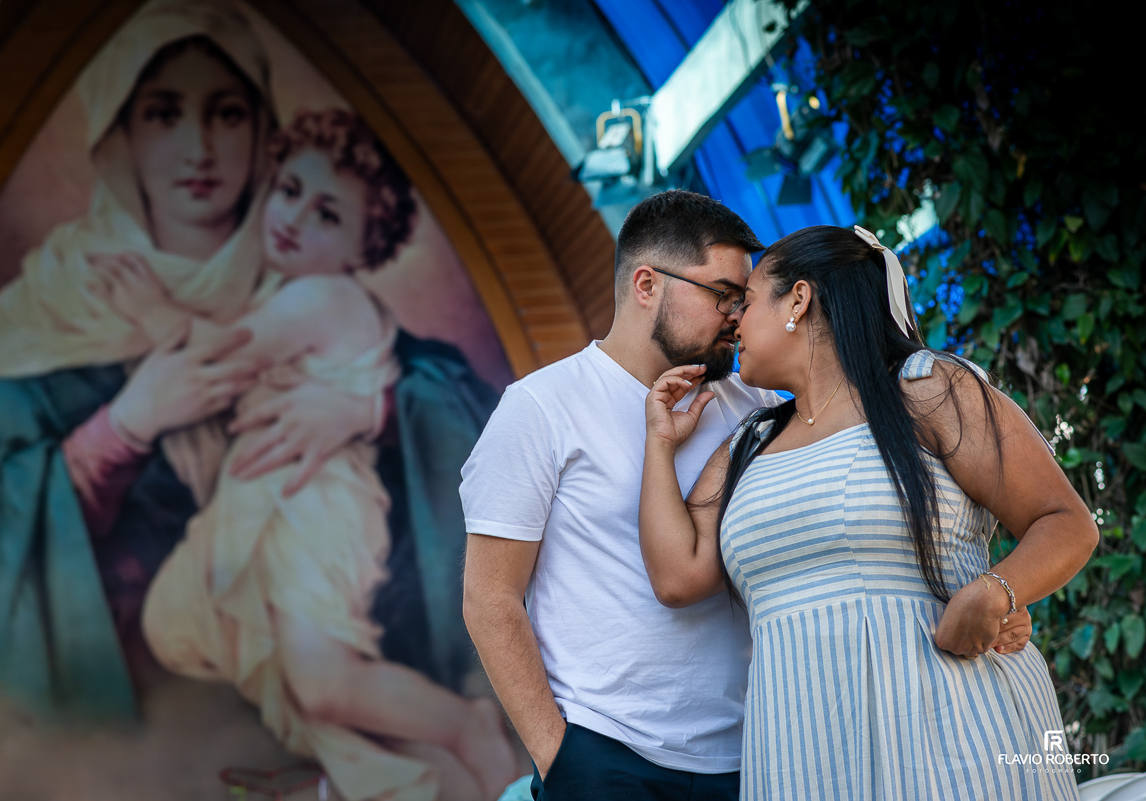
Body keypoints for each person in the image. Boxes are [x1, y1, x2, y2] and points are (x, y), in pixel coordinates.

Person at [0, 0, 390, 722]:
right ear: (117, 133)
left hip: (290, 676)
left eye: (226, 113)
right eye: (162, 113)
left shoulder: (309, 288)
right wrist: (121, 429)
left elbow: (446, 405)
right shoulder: (50, 306)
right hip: (117, 722)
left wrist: (372, 408)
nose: (199, 148)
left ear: (263, 130)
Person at [88, 108, 516, 801]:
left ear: (362, 245)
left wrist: (148, 308)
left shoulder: (327, 296)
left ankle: (467, 727)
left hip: (318, 509)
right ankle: (410, 771)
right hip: (273, 505)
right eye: (288, 190)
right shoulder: (285, 295)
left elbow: (216, 363)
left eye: (326, 214)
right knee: (284, 674)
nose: (292, 217)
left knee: (321, 683)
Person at [638, 224, 1095, 799]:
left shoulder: (926, 389)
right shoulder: (746, 445)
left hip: (953, 730)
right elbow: (678, 577)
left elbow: (1065, 521)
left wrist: (994, 591)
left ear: (798, 301)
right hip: (803, 750)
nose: (734, 321)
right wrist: (659, 443)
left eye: (748, 301)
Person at [460, 190, 778, 800]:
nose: (737, 316)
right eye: (721, 294)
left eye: (744, 298)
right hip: (605, 756)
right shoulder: (540, 408)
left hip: (751, 755)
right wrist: (561, 760)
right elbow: (491, 599)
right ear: (645, 284)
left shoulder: (757, 407)